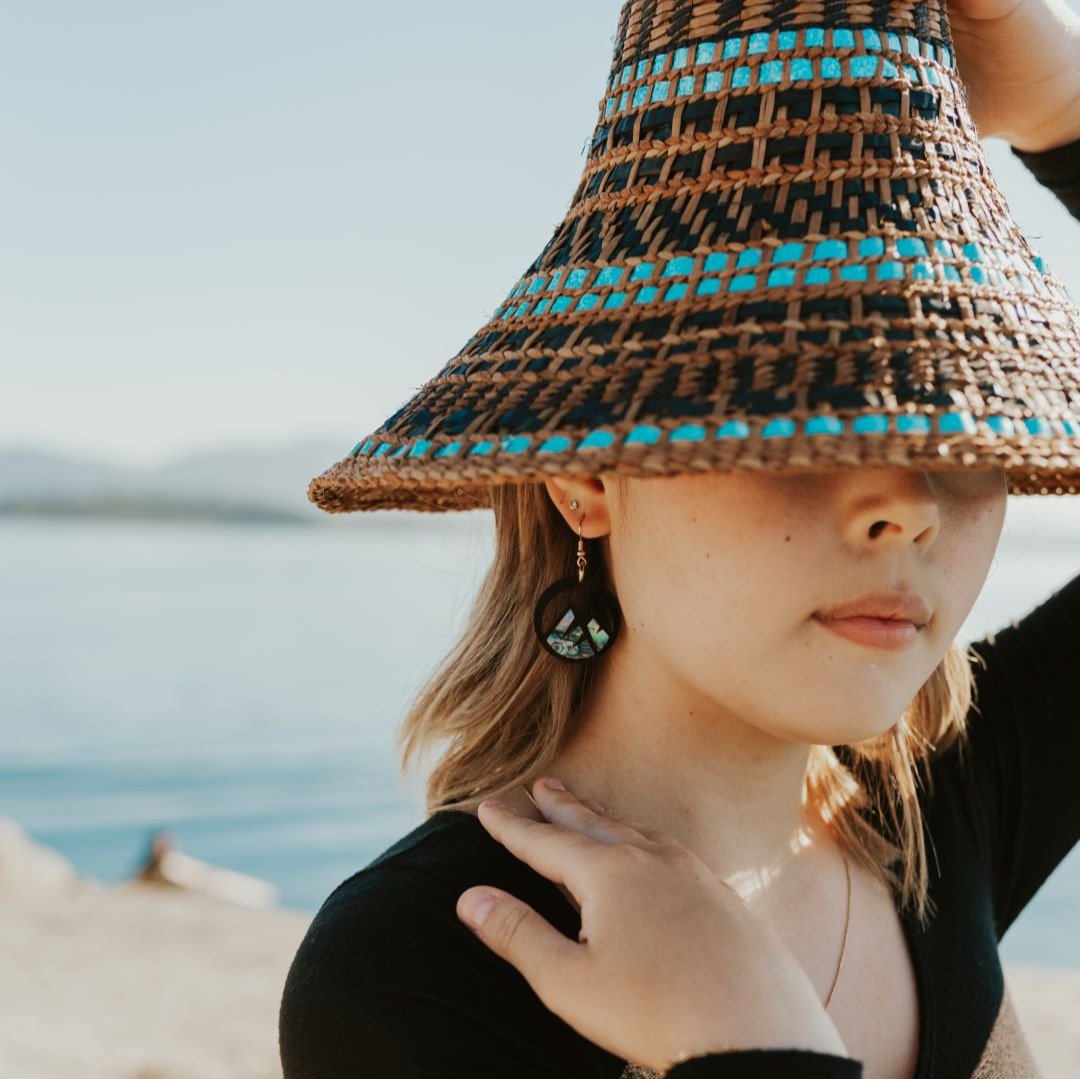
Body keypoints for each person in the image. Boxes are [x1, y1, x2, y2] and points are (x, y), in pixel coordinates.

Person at [280, 0, 1080, 1075]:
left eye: (957, 415)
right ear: (584, 471)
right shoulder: (419, 967)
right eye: (794, 405)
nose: (912, 504)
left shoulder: (950, 803)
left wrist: (1065, 113)